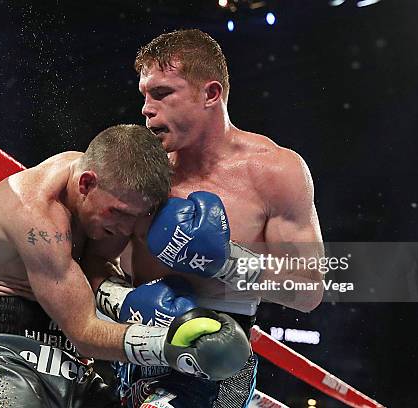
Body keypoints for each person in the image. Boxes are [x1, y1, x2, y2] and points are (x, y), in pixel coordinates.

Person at [0, 124, 252, 408]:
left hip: (70, 357)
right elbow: (85, 331)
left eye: (136, 217)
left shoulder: (108, 189)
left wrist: (121, 297)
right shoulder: (35, 211)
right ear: (86, 183)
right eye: (120, 213)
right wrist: (170, 347)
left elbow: (95, 266)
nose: (127, 229)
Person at [90, 30, 325, 408]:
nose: (146, 109)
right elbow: (88, 259)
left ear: (211, 94)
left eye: (162, 94)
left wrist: (226, 263)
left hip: (218, 359)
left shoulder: (275, 172)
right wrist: (121, 298)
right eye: (145, 96)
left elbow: (309, 290)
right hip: (131, 346)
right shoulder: (142, 174)